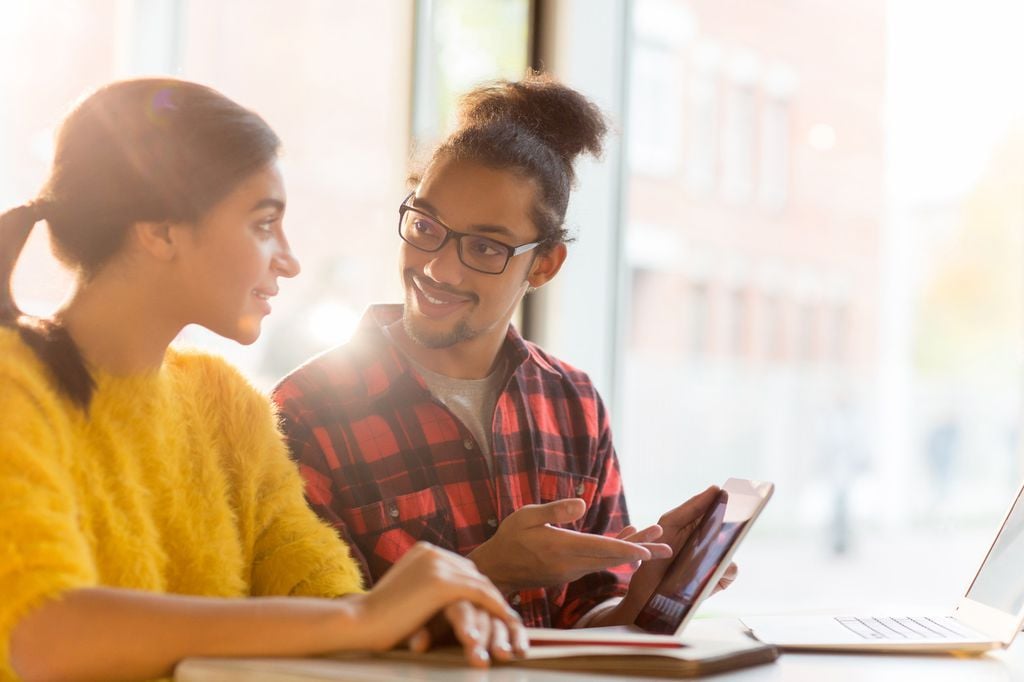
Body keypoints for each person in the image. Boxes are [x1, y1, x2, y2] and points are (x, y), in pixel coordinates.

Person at [0, 78, 525, 682]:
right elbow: (40, 634)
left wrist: (417, 620)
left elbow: (323, 596)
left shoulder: (226, 405)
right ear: (161, 229)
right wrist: (364, 622)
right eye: (262, 223)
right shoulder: (15, 385)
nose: (289, 257)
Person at [273, 74, 735, 630]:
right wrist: (490, 570)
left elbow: (588, 622)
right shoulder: (305, 412)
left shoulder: (573, 402)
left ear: (543, 265)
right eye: (425, 226)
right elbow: (315, 637)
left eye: (485, 247)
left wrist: (645, 594)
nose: (438, 267)